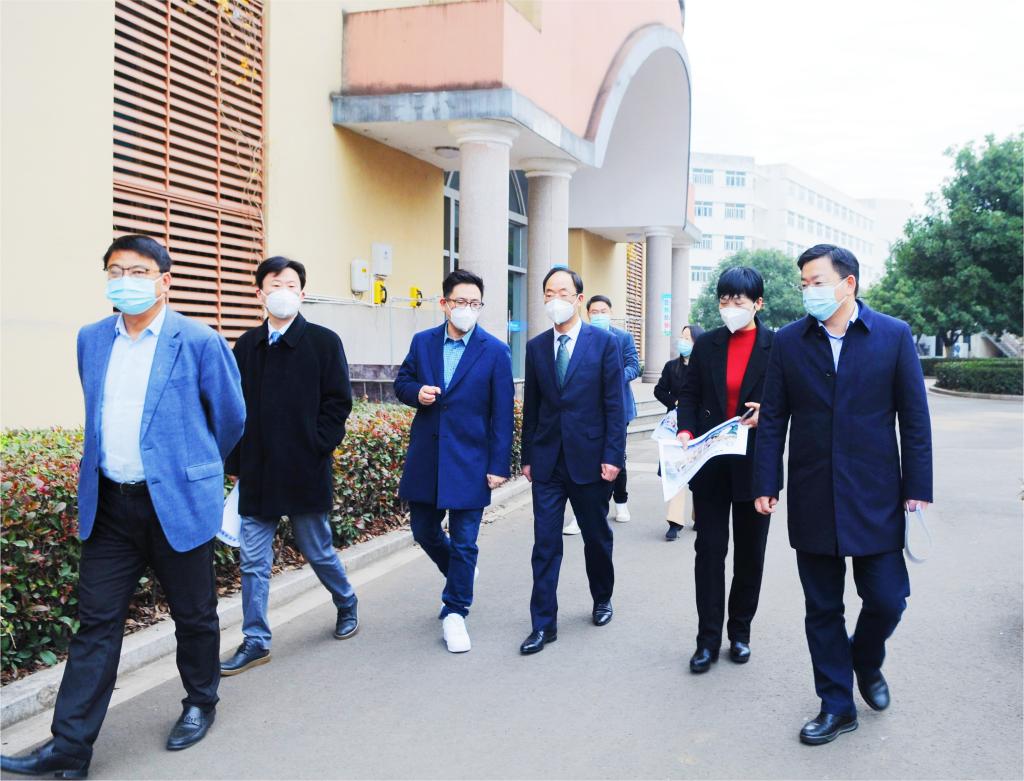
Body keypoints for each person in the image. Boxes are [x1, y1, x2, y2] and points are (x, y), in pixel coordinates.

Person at [1, 236, 246, 779]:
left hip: (176, 502)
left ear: (164, 280)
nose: (125, 280)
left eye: (138, 271)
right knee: (96, 623)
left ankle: (200, 702)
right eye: (116, 271)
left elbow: (230, 420)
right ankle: (69, 747)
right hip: (111, 504)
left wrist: (192, 469)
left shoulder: (200, 341)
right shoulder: (91, 339)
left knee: (194, 614)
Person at [752, 244, 932, 746]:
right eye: (804, 284)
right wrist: (766, 481)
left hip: (876, 493)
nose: (808, 291)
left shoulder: (892, 335)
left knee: (888, 599)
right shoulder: (789, 342)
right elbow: (773, 418)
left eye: (817, 282)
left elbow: (914, 417)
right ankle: (836, 704)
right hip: (813, 491)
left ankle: (865, 660)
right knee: (822, 607)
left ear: (847, 283)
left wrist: (917, 486)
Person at [220, 256, 358, 678]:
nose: (283, 292)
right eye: (274, 284)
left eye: (291, 285)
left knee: (317, 550)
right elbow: (234, 408)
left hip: (304, 469)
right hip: (258, 472)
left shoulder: (323, 342)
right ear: (259, 293)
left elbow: (338, 403)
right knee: (253, 561)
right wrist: (236, 462)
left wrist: (317, 445)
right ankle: (256, 640)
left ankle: (346, 600)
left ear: (302, 292)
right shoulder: (247, 346)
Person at [393, 269, 514, 653]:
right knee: (424, 531)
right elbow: (401, 383)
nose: (467, 309)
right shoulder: (423, 342)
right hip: (427, 457)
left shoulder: (495, 351)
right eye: (460, 301)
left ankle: (455, 610)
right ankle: (461, 574)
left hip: (471, 459)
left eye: (474, 303)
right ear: (445, 304)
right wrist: (417, 393)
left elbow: (502, 415)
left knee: (465, 542)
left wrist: (498, 465)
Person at [519, 267, 626, 655]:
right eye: (549, 293)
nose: (555, 299)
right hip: (548, 462)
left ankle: (602, 596)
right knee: (545, 544)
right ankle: (543, 624)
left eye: (563, 292)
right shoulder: (536, 347)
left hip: (591, 460)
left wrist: (613, 455)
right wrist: (527, 456)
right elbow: (533, 407)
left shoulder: (604, 344)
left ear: (579, 298)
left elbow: (614, 405)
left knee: (596, 538)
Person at [676, 267, 776, 674]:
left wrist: (767, 413)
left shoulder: (776, 346)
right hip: (711, 463)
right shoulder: (708, 344)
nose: (730, 307)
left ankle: (740, 633)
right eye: (724, 299)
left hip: (755, 466)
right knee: (709, 552)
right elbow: (689, 394)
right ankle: (707, 640)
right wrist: (685, 429)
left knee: (750, 555)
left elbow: (792, 401)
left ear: (758, 303)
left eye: (739, 300)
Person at [586, 295, 640, 523]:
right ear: (587, 314)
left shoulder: (623, 337)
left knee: (617, 456)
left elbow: (634, 366)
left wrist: (613, 379)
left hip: (618, 408)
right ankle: (586, 510)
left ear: (610, 312)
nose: (599, 315)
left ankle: (621, 503)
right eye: (594, 312)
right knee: (588, 459)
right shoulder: (583, 337)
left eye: (603, 311)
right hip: (589, 410)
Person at [654, 324, 705, 540]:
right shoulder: (671, 367)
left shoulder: (705, 366)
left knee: (699, 474)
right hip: (674, 427)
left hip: (699, 426)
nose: (683, 342)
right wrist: (675, 402)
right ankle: (674, 522)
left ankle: (699, 516)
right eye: (682, 337)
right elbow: (659, 390)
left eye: (688, 338)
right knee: (675, 472)